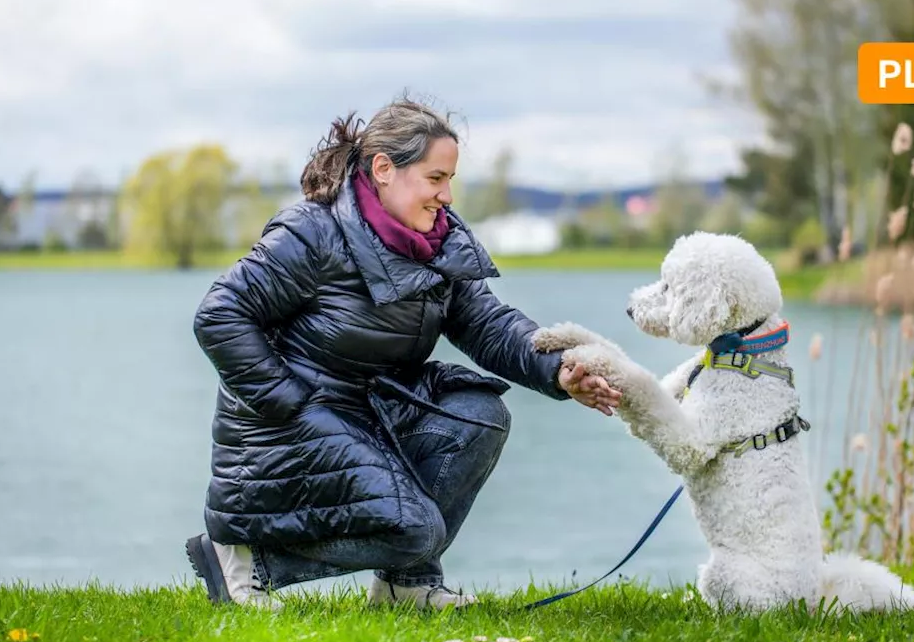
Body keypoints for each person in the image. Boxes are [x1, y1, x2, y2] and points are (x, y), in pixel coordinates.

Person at [185, 96, 621, 611]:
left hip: (370, 414)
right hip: (286, 422)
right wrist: (289, 402)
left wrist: (559, 368)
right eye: (436, 178)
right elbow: (219, 313)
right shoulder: (313, 231)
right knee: (417, 530)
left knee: (481, 416)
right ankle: (242, 561)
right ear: (385, 170)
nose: (447, 195)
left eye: (450, 179)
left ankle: (404, 587)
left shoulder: (439, 241)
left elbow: (487, 323)